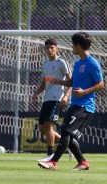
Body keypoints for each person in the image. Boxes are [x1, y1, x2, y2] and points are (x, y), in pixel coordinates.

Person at [38, 32, 104, 170]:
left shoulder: (92, 63)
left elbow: (100, 84)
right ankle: (82, 162)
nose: (72, 47)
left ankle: (53, 162)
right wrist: (59, 82)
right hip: (76, 104)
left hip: (85, 106)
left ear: (78, 46)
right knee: (69, 135)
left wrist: (84, 92)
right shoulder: (78, 62)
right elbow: (73, 82)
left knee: (65, 130)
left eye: (73, 45)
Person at [32, 38, 72, 162]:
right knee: (42, 129)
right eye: (47, 48)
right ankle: (69, 145)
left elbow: (71, 81)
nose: (49, 50)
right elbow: (44, 82)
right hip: (47, 99)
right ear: (45, 49)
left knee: (49, 126)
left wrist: (66, 96)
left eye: (52, 47)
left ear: (56, 48)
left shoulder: (61, 62)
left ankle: (50, 154)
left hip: (57, 99)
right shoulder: (45, 64)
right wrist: (36, 93)